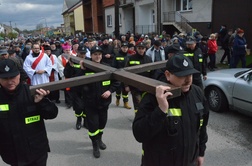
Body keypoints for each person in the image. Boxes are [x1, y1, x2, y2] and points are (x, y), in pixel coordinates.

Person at [132, 54, 209, 166]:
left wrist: (201, 152)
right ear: (168, 75)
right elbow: (139, 134)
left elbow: (202, 127)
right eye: (182, 76)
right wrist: (161, 110)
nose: (188, 80)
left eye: (190, 74)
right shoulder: (153, 97)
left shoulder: (197, 93)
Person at [0, 59, 58, 166]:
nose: (9, 81)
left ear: (19, 75)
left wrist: (42, 102)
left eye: (12, 77)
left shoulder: (32, 92)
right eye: (5, 78)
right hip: (12, 155)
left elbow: (52, 114)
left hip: (37, 152)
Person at [80, 46, 120, 158]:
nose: (98, 56)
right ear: (91, 55)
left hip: (104, 103)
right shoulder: (85, 68)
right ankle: (95, 145)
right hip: (90, 103)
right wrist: (81, 70)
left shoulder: (107, 68)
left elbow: (117, 82)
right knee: (93, 126)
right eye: (95, 54)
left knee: (102, 124)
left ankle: (100, 139)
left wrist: (109, 91)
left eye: (99, 54)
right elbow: (76, 81)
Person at [64, 45, 88, 130]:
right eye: (81, 53)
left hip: (87, 88)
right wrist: (70, 65)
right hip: (76, 88)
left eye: (84, 53)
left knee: (86, 106)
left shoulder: (88, 61)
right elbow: (66, 74)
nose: (83, 55)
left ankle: (86, 121)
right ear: (77, 52)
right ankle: (79, 120)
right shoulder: (72, 61)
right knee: (78, 107)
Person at [125, 42, 152, 113]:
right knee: (138, 103)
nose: (141, 50)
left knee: (146, 103)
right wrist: (126, 85)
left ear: (145, 49)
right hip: (135, 86)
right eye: (139, 48)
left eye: (142, 48)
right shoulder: (131, 58)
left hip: (146, 85)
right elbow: (126, 73)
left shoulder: (148, 59)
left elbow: (152, 72)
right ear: (136, 49)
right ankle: (138, 118)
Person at [112, 42, 131, 109]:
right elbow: (113, 66)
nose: (125, 49)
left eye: (126, 47)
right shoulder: (117, 56)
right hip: (118, 76)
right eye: (123, 47)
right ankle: (117, 99)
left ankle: (126, 103)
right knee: (118, 90)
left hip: (126, 76)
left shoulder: (129, 56)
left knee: (125, 91)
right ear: (121, 48)